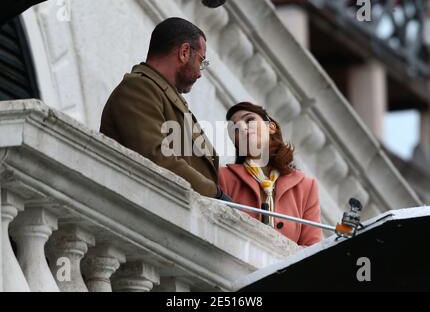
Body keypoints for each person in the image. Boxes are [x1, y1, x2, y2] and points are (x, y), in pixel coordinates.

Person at [100, 17, 230, 200]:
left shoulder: (163, 96)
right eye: (202, 61)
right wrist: (215, 194)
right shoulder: (138, 88)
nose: (201, 73)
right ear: (184, 52)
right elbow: (157, 158)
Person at [218, 102, 323, 246]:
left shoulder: (306, 186)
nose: (242, 128)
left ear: (271, 127)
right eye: (235, 129)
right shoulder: (224, 177)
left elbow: (313, 248)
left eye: (249, 120)